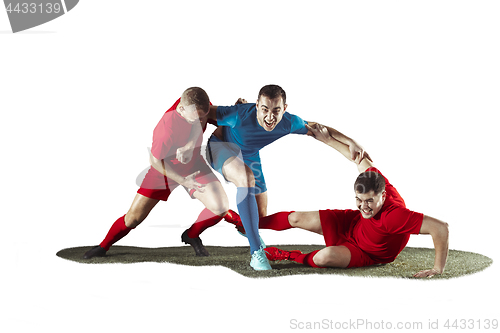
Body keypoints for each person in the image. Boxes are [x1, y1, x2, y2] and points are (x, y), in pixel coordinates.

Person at [181, 84, 370, 270]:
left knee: (259, 217)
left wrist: (351, 142)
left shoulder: (289, 122)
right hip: (221, 146)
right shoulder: (238, 114)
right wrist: (190, 144)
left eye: (276, 111)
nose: (270, 117)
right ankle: (257, 253)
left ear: (284, 109)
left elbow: (317, 128)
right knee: (245, 178)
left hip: (249, 155)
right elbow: (202, 113)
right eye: (264, 109)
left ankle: (236, 224)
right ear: (256, 105)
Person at [227, 123, 450, 278]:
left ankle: (285, 255)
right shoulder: (376, 181)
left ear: (383, 196)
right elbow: (358, 158)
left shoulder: (396, 216)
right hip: (353, 224)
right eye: (359, 200)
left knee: (325, 257)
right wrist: (328, 139)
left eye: (369, 202)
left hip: (368, 253)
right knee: (295, 218)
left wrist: (438, 268)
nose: (364, 206)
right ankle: (246, 223)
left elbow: (440, 228)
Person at [83, 87, 239, 259]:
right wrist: (183, 181)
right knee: (133, 219)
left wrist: (237, 109)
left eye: (203, 115)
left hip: (193, 164)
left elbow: (203, 119)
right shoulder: (166, 127)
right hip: (164, 169)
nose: (202, 120)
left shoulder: (198, 105)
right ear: (181, 110)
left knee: (220, 207)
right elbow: (155, 161)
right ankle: (103, 247)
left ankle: (192, 235)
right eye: (196, 117)